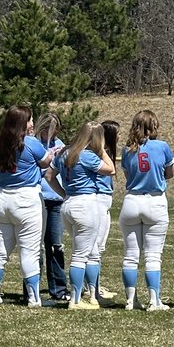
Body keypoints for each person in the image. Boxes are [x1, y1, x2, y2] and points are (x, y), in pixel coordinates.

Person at [0, 105, 60, 307]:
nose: (33, 123)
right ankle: (34, 298)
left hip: (1, 198)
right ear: (22, 123)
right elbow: (45, 163)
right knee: (30, 251)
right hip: (26, 199)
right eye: (30, 119)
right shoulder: (31, 143)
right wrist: (53, 152)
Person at [52, 121, 114, 309]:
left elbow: (49, 176)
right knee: (81, 255)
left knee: (92, 253)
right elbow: (110, 168)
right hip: (86, 204)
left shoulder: (63, 153)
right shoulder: (86, 155)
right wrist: (102, 149)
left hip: (69, 203)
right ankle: (76, 299)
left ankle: (93, 296)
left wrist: (64, 194)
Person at [119, 110, 174, 311]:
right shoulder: (162, 147)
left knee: (130, 255)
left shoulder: (127, 149)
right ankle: (154, 300)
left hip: (132, 201)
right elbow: (169, 173)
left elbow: (127, 175)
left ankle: (130, 300)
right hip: (155, 201)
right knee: (152, 256)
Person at [33, 112, 67, 301]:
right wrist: (47, 159)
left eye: (55, 132)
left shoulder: (60, 144)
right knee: (34, 246)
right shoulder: (32, 144)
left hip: (55, 200)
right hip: (37, 198)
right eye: (49, 131)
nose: (52, 135)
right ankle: (32, 289)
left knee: (56, 246)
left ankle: (59, 289)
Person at [88, 119, 120, 303]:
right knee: (95, 248)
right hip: (98, 201)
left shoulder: (104, 152)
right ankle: (92, 289)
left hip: (104, 202)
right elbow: (111, 171)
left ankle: (95, 286)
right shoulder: (100, 153)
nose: (120, 136)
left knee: (99, 248)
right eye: (117, 133)